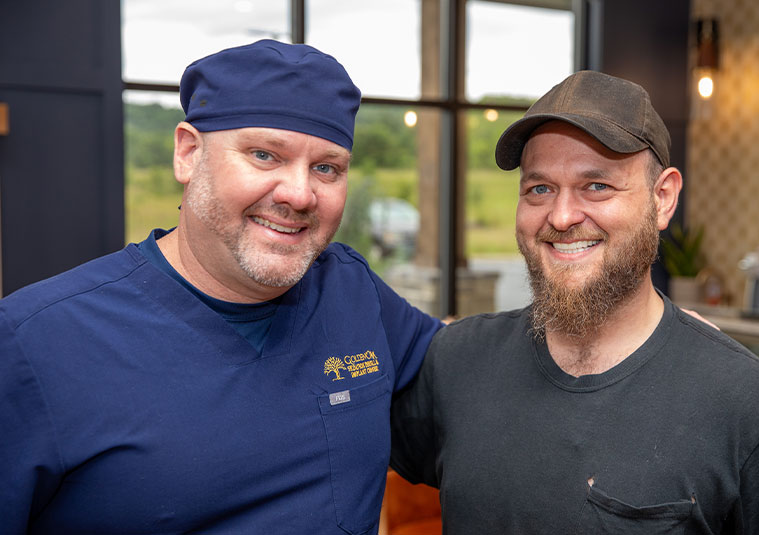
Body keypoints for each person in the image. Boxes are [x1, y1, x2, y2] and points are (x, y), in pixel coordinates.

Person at [0, 40, 442, 534]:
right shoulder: (31, 343)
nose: (299, 194)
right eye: (264, 155)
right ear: (188, 154)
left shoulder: (350, 287)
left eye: (326, 168)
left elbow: (466, 365)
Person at [390, 70, 759, 533]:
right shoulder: (456, 363)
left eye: (597, 186)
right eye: (539, 189)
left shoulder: (752, 408)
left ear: (662, 199)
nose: (562, 217)